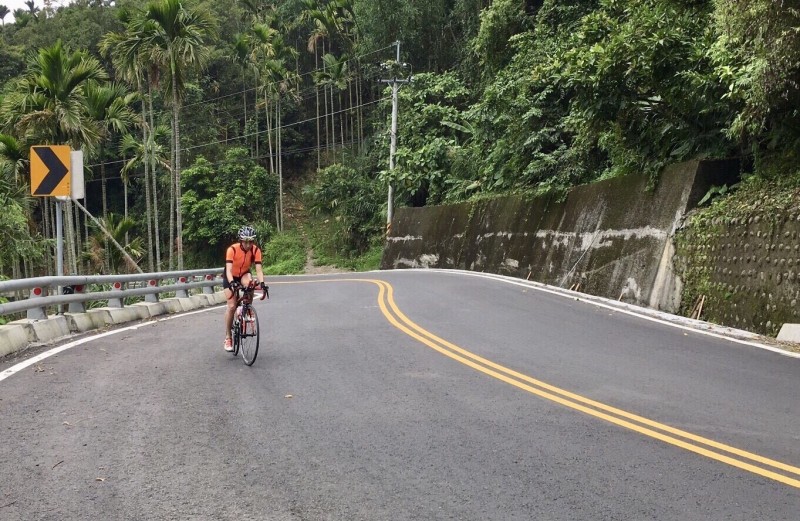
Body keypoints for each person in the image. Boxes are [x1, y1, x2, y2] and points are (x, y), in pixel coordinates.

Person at [223, 225, 267, 351]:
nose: (248, 245)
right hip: (230, 276)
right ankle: (228, 337)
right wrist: (232, 283)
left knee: (251, 283)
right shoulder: (232, 249)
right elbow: (228, 270)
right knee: (232, 306)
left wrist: (262, 284)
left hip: (244, 274)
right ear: (241, 240)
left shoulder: (256, 250)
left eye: (251, 241)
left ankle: (247, 308)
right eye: (245, 241)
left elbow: (258, 269)